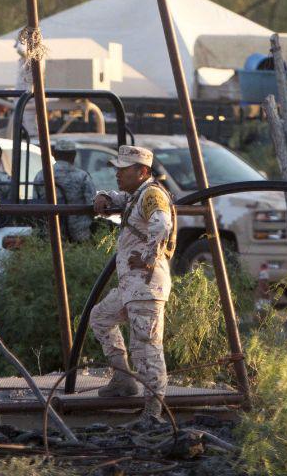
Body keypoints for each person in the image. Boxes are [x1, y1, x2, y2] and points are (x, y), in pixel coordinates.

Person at [90, 145, 177, 426]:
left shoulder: (151, 194)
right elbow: (123, 199)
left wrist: (149, 256)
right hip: (134, 286)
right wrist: (103, 196)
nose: (117, 174)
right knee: (101, 318)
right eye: (117, 169)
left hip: (145, 285)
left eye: (123, 170)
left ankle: (153, 412)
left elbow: (162, 223)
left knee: (147, 347)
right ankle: (123, 379)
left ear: (142, 172)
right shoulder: (140, 194)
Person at [34, 140, 96, 242]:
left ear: (54, 154)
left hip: (49, 234)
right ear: (74, 155)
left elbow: (36, 203)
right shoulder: (83, 176)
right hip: (80, 235)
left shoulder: (41, 176)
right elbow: (92, 205)